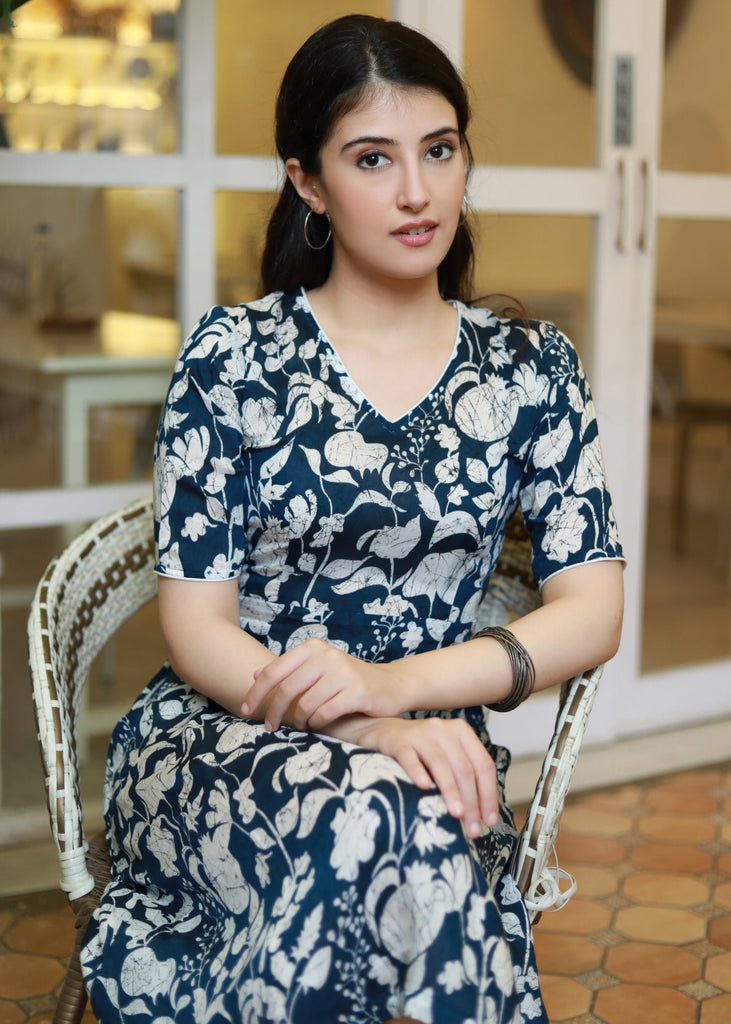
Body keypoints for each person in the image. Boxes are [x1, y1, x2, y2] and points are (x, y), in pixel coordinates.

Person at [81, 14, 624, 1024]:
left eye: (439, 150)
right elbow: (197, 629)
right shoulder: (233, 357)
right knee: (380, 818)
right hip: (222, 735)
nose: (417, 192)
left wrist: (395, 692)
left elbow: (592, 611)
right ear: (308, 183)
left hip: (429, 750)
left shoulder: (531, 370)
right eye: (372, 159)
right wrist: (357, 721)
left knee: (392, 815)